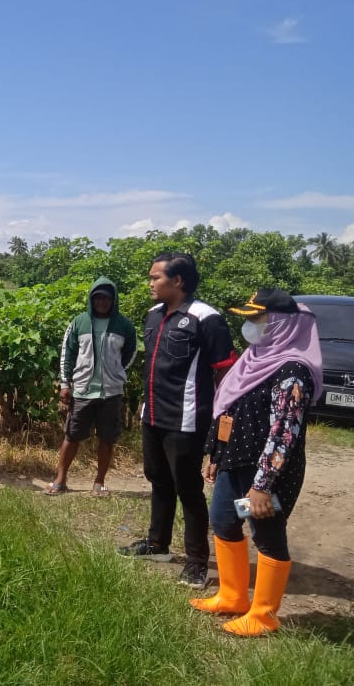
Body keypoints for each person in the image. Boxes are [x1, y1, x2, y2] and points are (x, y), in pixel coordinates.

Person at [190, 288, 322, 636]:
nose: (249, 326)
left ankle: (263, 615)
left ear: (281, 324)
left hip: (266, 473)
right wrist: (216, 455)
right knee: (222, 520)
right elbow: (230, 411)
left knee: (266, 531)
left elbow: (283, 434)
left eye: (256, 318)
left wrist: (261, 486)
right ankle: (233, 595)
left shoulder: (293, 370)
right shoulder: (254, 359)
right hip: (236, 463)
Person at [118, 253, 236, 591]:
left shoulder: (206, 318)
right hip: (153, 413)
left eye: (156, 278)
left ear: (178, 281)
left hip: (186, 418)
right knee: (158, 478)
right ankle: (158, 544)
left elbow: (226, 373)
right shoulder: (154, 316)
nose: (150, 283)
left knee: (188, 487)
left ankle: (198, 561)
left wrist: (222, 423)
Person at [46, 277, 137, 496]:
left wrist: (116, 370)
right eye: (98, 297)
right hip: (83, 390)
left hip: (111, 392)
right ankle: (60, 479)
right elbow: (67, 353)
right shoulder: (79, 322)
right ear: (91, 299)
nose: (102, 302)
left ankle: (99, 482)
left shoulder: (124, 325)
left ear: (113, 300)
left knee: (106, 438)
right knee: (72, 435)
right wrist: (65, 383)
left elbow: (131, 352)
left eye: (106, 297)